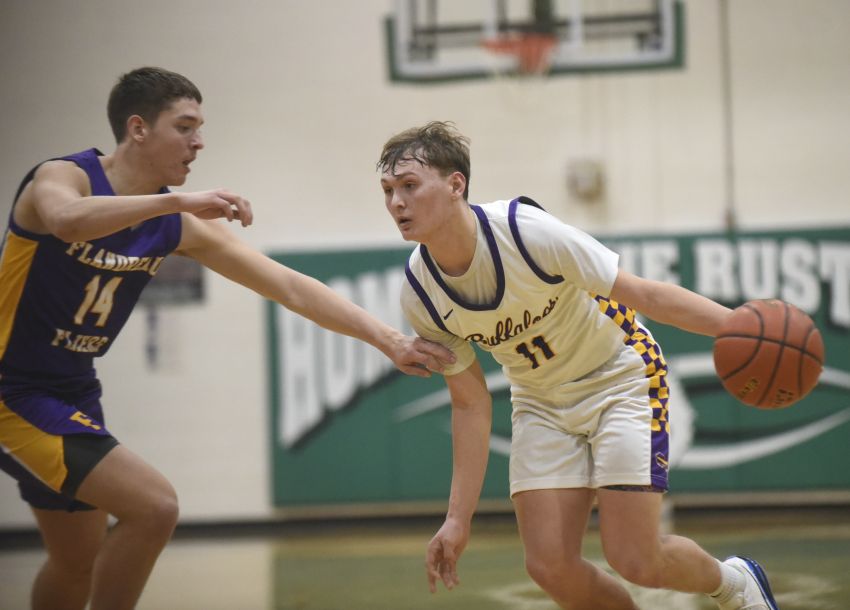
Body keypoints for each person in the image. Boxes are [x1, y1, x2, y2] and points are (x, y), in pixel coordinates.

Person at [0, 67, 454, 610]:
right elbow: (68, 222)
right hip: (13, 388)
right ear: (138, 128)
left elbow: (289, 286)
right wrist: (175, 202)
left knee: (75, 562)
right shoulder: (63, 177)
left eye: (200, 127)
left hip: (73, 390)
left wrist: (389, 341)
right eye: (185, 126)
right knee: (155, 507)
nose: (198, 141)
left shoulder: (174, 224)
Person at [377, 121, 780, 610]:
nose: (396, 203)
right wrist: (457, 518)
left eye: (409, 186)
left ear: (456, 184)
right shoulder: (421, 293)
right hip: (540, 402)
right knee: (549, 567)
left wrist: (742, 327)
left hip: (618, 378)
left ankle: (733, 583)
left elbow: (646, 294)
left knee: (635, 559)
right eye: (388, 191)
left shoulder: (524, 232)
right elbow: (469, 403)